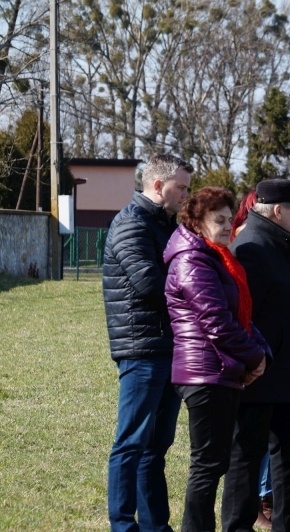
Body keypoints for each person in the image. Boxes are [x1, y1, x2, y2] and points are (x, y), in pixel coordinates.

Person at [164, 187, 270, 531]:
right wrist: (255, 358)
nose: (228, 226)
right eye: (219, 220)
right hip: (204, 373)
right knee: (207, 464)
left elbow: (240, 316)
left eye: (229, 219)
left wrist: (261, 352)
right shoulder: (192, 260)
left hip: (220, 370)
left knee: (214, 463)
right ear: (197, 222)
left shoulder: (216, 257)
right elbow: (217, 322)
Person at [222, 179, 290, 532]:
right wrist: (256, 359)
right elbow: (243, 315)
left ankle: (289, 522)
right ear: (279, 211)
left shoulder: (282, 243)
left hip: (285, 370)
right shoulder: (253, 246)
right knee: (247, 452)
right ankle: (237, 525)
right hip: (261, 371)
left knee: (289, 447)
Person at [102, 153, 192, 531]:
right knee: (131, 443)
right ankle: (123, 525)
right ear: (158, 186)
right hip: (142, 349)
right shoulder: (131, 225)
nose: (187, 195)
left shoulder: (165, 225)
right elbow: (151, 286)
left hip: (168, 347)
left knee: (156, 447)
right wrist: (196, 296)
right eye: (181, 188)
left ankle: (156, 525)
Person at [231, 187, 275, 529]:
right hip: (251, 354)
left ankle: (265, 498)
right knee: (250, 440)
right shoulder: (247, 244)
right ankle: (255, 504)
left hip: (270, 352)